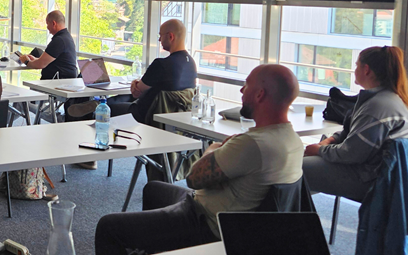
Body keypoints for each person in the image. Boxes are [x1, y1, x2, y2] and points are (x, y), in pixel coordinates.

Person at [95, 64, 304, 255]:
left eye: (246, 84)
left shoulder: (251, 145)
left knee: (108, 227)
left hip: (206, 223)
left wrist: (214, 147)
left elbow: (193, 178)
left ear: (260, 94)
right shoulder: (292, 140)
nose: (241, 91)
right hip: (234, 219)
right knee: (154, 189)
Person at [303, 46, 408, 202]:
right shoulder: (392, 100)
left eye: (356, 65)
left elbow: (350, 154)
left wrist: (320, 150)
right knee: (299, 174)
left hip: (374, 179)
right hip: (392, 177)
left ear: (366, 69)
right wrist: (332, 140)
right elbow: (356, 132)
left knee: (294, 170)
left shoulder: (376, 107)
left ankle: (286, 221)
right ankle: (300, 220)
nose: (354, 70)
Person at [68, 19, 196, 119]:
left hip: (144, 113)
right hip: (171, 115)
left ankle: (98, 106)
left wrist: (136, 83)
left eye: (161, 36)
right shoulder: (192, 65)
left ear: (170, 36)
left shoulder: (162, 64)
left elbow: (137, 90)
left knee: (107, 108)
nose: (159, 40)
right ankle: (100, 103)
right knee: (126, 98)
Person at [19, 10, 77, 80]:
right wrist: (36, 60)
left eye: (47, 24)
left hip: (58, 81)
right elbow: (55, 61)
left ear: (53, 23)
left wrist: (26, 61)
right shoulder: (66, 37)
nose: (47, 27)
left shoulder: (59, 41)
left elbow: (40, 64)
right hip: (64, 79)